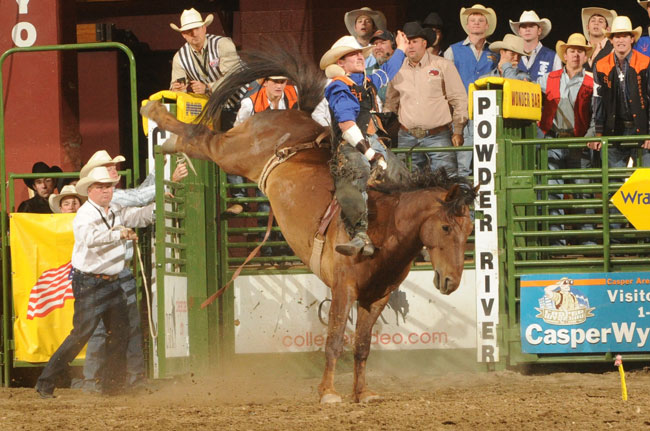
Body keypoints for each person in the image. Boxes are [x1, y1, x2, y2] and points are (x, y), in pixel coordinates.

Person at [35, 166, 155, 398]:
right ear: (89, 190)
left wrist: (159, 206)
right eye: (100, 187)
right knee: (82, 334)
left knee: (120, 333)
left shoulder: (114, 211)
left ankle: (111, 384)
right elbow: (89, 239)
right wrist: (119, 234)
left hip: (109, 282)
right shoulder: (85, 214)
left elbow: (138, 216)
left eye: (108, 186)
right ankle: (45, 381)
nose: (106, 191)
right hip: (89, 283)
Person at [79, 150, 187, 393]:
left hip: (116, 272)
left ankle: (111, 380)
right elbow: (140, 197)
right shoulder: (112, 197)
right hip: (102, 275)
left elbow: (141, 196)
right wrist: (169, 179)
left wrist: (162, 171)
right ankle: (104, 380)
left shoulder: (111, 198)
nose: (115, 170)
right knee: (103, 329)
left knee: (121, 327)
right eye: (110, 167)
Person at [320, 31, 409, 256]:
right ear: (341, 62)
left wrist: (401, 50)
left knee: (403, 176)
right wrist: (370, 154)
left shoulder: (367, 81)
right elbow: (347, 125)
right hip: (351, 144)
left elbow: (387, 71)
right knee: (355, 172)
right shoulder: (339, 87)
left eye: (360, 53)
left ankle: (410, 231)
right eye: (353, 55)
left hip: (371, 140)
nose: (360, 57)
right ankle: (358, 233)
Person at [589, 16, 650, 240]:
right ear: (611, 40)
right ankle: (615, 239)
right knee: (613, 184)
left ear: (632, 39)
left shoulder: (645, 62)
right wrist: (598, 132)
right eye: (617, 36)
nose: (621, 40)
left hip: (641, 131)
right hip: (614, 132)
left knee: (643, 184)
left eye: (625, 35)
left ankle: (644, 236)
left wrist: (649, 132)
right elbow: (598, 100)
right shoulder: (601, 65)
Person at [385, 22, 468, 176]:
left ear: (424, 43)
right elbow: (391, 103)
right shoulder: (396, 68)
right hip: (406, 135)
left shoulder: (443, 65)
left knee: (446, 181)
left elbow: (459, 98)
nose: (410, 46)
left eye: (414, 41)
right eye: (407, 42)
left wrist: (458, 130)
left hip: (438, 135)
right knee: (407, 184)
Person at [538, 34, 596, 246]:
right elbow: (530, 95)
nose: (576, 55)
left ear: (585, 55)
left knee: (583, 192)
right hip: (554, 141)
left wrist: (589, 137)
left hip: (578, 142)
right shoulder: (548, 79)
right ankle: (556, 243)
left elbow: (596, 113)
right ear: (565, 55)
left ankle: (588, 243)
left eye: (580, 51)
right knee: (553, 192)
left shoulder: (592, 81)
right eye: (572, 51)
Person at [444, 4, 498, 177]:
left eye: (481, 20)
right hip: (462, 116)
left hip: (489, 115)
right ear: (467, 25)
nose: (476, 23)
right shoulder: (452, 51)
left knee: (489, 163)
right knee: (463, 165)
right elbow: (444, 86)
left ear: (487, 25)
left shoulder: (495, 52)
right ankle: (463, 203)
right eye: (472, 20)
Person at [169, 8, 243, 128]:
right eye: (189, 31)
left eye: (197, 28)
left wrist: (208, 87)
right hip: (217, 107)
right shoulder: (179, 57)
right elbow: (175, 87)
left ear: (204, 28)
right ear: (183, 35)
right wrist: (178, 89)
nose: (194, 34)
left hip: (242, 98)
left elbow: (234, 76)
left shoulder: (222, 44)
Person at [509, 11, 562, 81]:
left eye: (531, 26)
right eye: (524, 26)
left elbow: (559, 85)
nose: (527, 29)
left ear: (539, 30)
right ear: (519, 32)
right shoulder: (512, 57)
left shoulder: (553, 57)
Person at [366, 30, 396, 104]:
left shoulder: (404, 67)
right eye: (375, 44)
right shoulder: (367, 73)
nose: (378, 47)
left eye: (382, 43)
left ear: (393, 45)